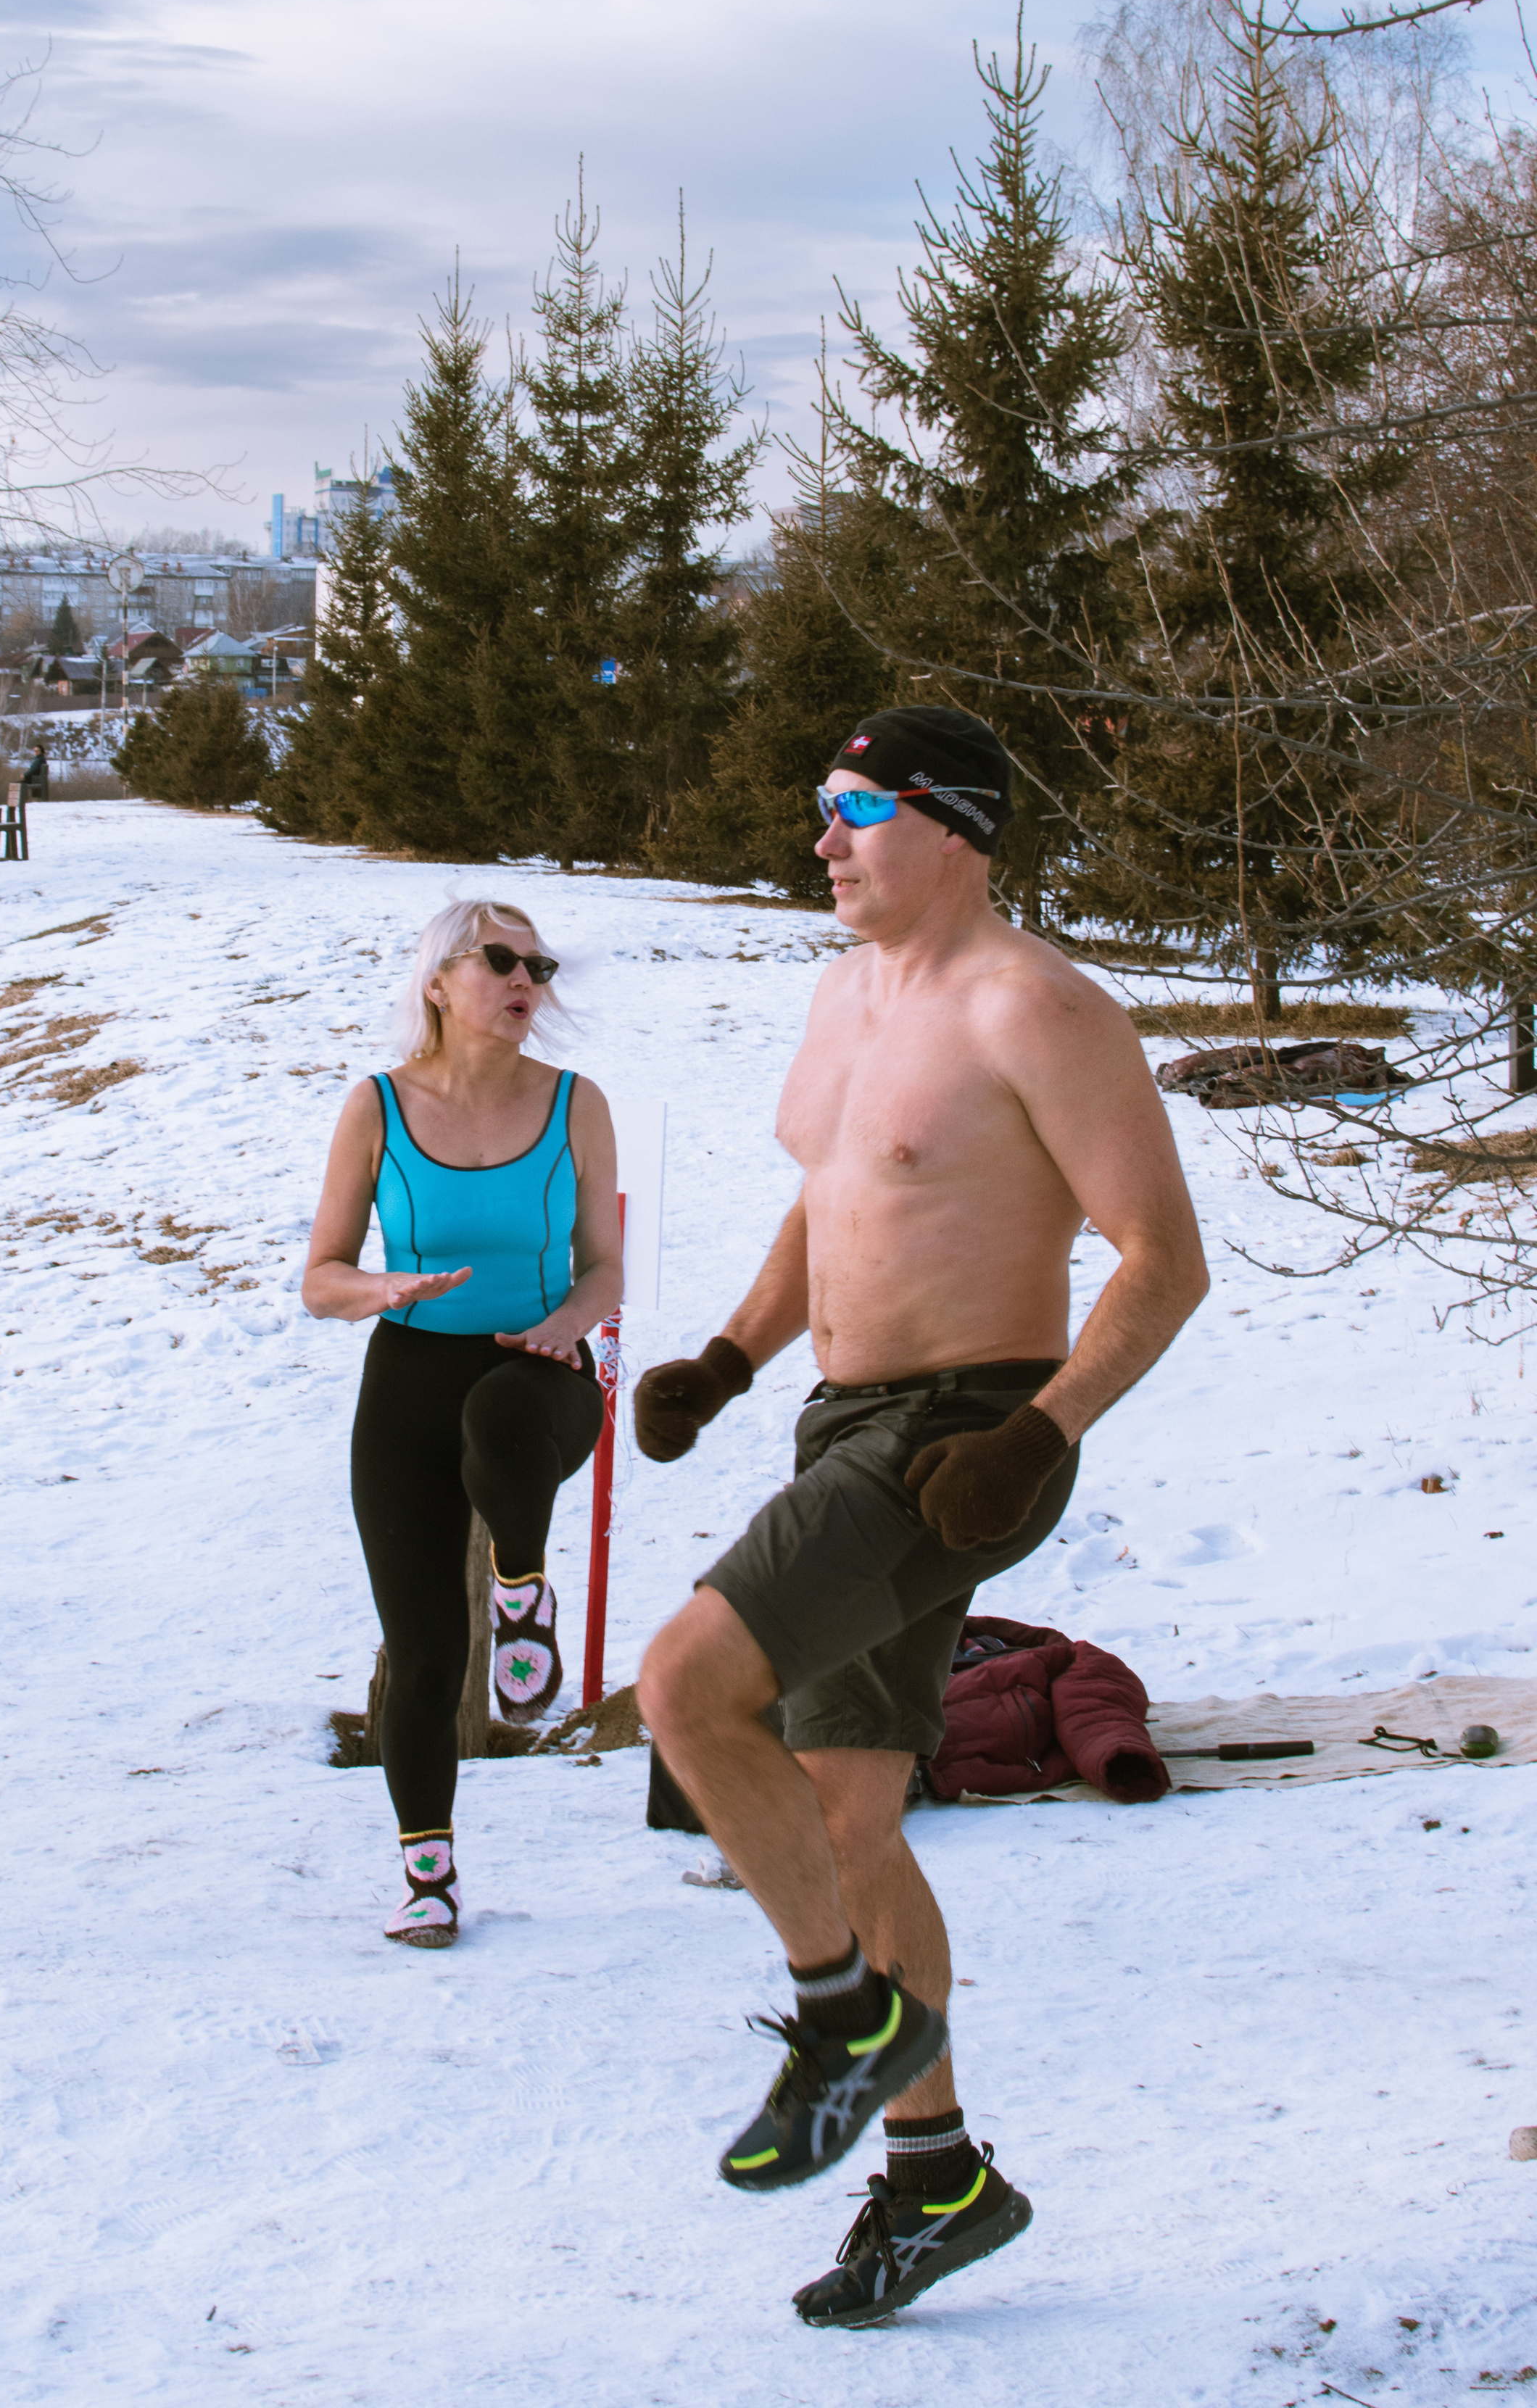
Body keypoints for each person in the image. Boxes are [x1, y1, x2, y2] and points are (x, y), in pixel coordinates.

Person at [635, 705, 1209, 2326]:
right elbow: (838, 1200)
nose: (819, 837)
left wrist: (1039, 1436)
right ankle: (938, 2177)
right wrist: (730, 1359)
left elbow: (1162, 1259)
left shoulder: (1038, 1009)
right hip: (842, 1426)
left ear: (950, 825)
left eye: (852, 808)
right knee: (840, 1818)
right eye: (817, 803)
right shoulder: (843, 993)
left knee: (685, 1687)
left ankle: (842, 2019)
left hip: (963, 1437)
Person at [304, 900, 622, 1947]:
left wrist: (569, 1326)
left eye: (539, 963)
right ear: (439, 981)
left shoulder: (576, 1104)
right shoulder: (378, 1109)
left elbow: (603, 1264)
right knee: (426, 1647)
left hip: (543, 1374)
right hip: (407, 1378)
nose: (526, 978)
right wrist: (382, 1291)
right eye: (500, 959)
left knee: (501, 1412)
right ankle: (427, 1876)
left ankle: (523, 1589)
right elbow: (321, 1279)